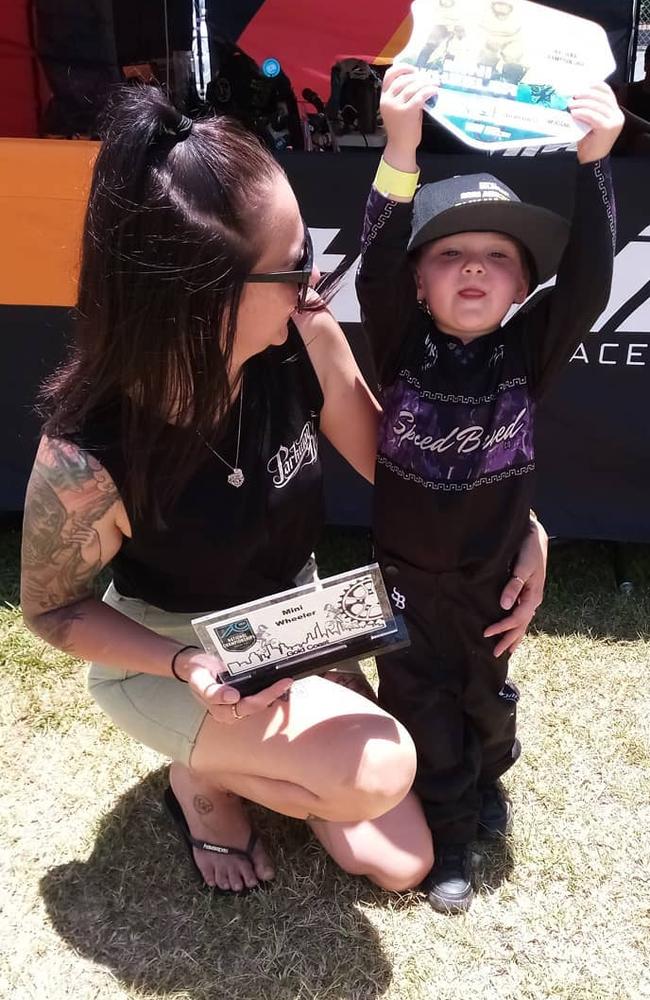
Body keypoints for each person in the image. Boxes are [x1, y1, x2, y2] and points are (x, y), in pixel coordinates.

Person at [20, 85, 547, 897]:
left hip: (291, 624)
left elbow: (403, 469)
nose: (317, 283)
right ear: (201, 298)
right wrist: (183, 662)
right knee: (380, 768)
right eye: (297, 261)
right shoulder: (88, 452)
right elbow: (51, 612)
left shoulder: (301, 339)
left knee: (401, 863)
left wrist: (522, 525)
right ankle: (200, 783)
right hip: (171, 652)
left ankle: (254, 764)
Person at [356, 65, 623, 913]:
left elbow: (586, 283)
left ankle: (489, 778)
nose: (474, 268)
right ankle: (452, 833)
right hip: (404, 580)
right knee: (422, 704)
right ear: (420, 280)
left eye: (497, 257)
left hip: (492, 579)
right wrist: (400, 148)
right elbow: (370, 267)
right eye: (450, 255)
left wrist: (595, 162)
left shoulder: (525, 356)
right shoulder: (399, 344)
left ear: (520, 284)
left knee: (488, 700)